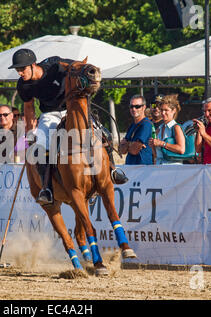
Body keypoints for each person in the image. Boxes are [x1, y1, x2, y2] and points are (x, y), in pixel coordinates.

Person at [9, 48, 126, 205]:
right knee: (41, 148)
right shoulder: (24, 85)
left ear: (33, 65)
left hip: (72, 109)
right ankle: (47, 188)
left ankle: (113, 170)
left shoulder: (54, 65)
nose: (20, 73)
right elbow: (29, 108)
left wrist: (90, 71)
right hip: (49, 115)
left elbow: (78, 67)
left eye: (22, 69)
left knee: (105, 134)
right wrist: (30, 133)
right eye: (18, 70)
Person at [148, 94, 185, 164]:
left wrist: (162, 143)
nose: (163, 113)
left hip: (174, 168)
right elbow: (157, 155)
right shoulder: (159, 129)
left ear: (173, 110)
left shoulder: (176, 127)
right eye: (161, 110)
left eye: (166, 110)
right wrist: (153, 146)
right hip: (160, 167)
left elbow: (181, 149)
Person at [119, 95, 154, 165]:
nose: (134, 109)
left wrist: (127, 143)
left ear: (144, 107)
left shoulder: (146, 124)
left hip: (143, 167)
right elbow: (122, 150)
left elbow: (134, 150)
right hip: (130, 166)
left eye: (137, 106)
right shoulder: (132, 125)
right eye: (131, 107)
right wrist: (131, 144)